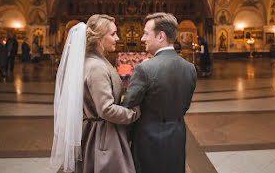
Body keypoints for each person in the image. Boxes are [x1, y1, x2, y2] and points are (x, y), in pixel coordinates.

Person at [50, 14, 140, 173]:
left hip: (98, 131)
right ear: (98, 38)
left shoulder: (94, 60)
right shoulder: (96, 66)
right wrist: (133, 114)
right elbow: (106, 109)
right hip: (103, 137)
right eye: (113, 34)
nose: (117, 38)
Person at [123, 12, 197, 173]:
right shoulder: (190, 68)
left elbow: (128, 106)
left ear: (161, 36)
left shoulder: (145, 68)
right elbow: (184, 106)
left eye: (146, 34)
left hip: (148, 139)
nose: (142, 39)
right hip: (177, 135)